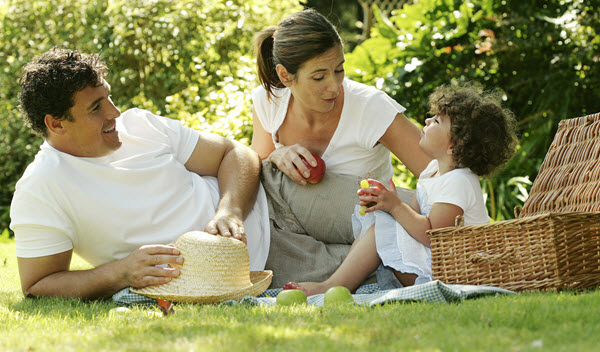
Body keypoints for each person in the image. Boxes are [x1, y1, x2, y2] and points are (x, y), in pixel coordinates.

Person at [10, 47, 270, 299]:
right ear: (56, 124)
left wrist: (230, 211)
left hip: (275, 198)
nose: (115, 112)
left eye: (108, 97)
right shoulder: (40, 187)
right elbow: (37, 284)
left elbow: (236, 153)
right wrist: (120, 273)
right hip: (253, 268)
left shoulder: (140, 125)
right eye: (96, 107)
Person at [251, 8, 432, 287]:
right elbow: (260, 172)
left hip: (371, 227)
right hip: (301, 232)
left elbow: (438, 172)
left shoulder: (371, 107)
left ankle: (368, 271)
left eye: (339, 70)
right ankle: (366, 275)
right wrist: (277, 153)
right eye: (319, 77)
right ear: (286, 75)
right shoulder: (269, 102)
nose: (334, 86)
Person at [286, 83, 518, 295]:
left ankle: (332, 286)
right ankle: (340, 281)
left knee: (381, 228)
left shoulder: (459, 182)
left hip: (452, 273)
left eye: (437, 121)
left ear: (455, 146)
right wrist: (386, 203)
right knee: (379, 219)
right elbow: (412, 217)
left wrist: (395, 206)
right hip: (434, 264)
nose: (427, 121)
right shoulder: (432, 172)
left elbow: (433, 237)